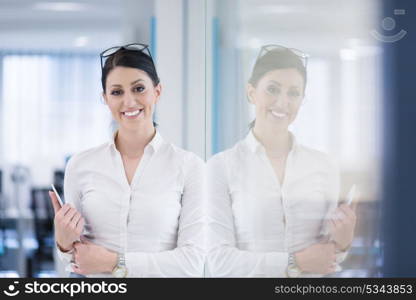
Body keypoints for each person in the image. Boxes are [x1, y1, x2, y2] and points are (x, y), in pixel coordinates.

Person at [49, 43, 205, 277]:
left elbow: (193, 262)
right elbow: (75, 260)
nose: (129, 101)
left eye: (139, 88)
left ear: (157, 92)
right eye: (116, 92)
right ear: (105, 99)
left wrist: (115, 262)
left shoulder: (189, 167)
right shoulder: (81, 165)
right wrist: (63, 242)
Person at [206, 45, 357, 277]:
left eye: (293, 93)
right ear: (251, 92)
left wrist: (343, 242)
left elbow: (326, 258)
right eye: (272, 89)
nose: (282, 102)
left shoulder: (323, 166)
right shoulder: (221, 167)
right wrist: (295, 262)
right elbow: (219, 262)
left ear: (302, 100)